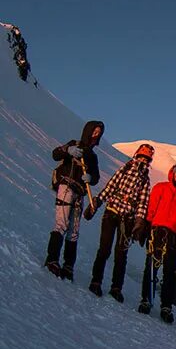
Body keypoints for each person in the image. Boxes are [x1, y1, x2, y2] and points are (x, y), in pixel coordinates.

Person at [85, 144, 153, 301]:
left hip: (127, 218)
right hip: (112, 212)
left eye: (147, 159)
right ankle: (96, 281)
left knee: (121, 254)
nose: (143, 160)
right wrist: (97, 202)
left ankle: (116, 287)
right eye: (142, 157)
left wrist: (139, 222)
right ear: (136, 156)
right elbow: (110, 187)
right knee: (104, 249)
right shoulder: (125, 169)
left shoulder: (145, 179)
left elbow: (143, 202)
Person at [44, 120, 103, 281]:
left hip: (80, 192)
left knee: (74, 230)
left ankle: (68, 266)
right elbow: (56, 154)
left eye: (99, 132)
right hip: (66, 186)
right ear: (88, 131)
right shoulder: (74, 144)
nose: (96, 134)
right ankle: (52, 259)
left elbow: (96, 178)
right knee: (61, 223)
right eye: (95, 130)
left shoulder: (92, 156)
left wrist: (90, 178)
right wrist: (68, 150)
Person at [137, 160, 176, 323]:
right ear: (172, 172)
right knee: (151, 266)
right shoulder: (160, 188)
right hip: (157, 230)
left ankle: (166, 306)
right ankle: (146, 300)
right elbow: (152, 208)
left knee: (169, 271)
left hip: (173, 235)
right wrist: (146, 226)